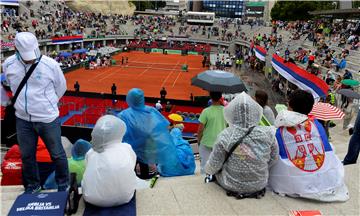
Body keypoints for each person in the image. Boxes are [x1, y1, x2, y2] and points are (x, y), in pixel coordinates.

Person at [3, 32, 68, 193]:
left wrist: (46, 104)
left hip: (47, 118)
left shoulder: (50, 65)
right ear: (16, 50)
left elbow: (61, 87)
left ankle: (63, 185)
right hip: (22, 119)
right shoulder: (8, 64)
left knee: (57, 154)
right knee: (27, 156)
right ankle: (32, 186)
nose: (30, 58)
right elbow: (10, 85)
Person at [269, 90, 349, 202]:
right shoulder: (317, 125)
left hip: (292, 182)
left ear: (290, 107)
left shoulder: (280, 130)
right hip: (324, 177)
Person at [205, 92, 278, 196]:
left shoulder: (226, 135)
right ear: (255, 112)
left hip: (230, 184)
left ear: (232, 113)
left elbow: (213, 165)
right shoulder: (268, 133)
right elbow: (273, 158)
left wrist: (208, 170)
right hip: (259, 184)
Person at [118, 88, 186, 179]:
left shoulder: (123, 115)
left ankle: (133, 179)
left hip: (130, 145)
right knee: (144, 162)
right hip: (147, 143)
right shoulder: (151, 110)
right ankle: (145, 178)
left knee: (132, 163)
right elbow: (163, 124)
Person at [82, 115, 137, 207]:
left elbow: (87, 170)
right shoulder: (126, 148)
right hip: (125, 196)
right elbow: (131, 166)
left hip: (93, 199)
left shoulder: (91, 153)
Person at [197, 92, 227, 173]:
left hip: (206, 142)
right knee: (219, 165)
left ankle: (205, 182)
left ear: (211, 97)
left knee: (204, 165)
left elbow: (200, 130)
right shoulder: (225, 111)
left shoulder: (206, 111)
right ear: (220, 97)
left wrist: (199, 140)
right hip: (221, 142)